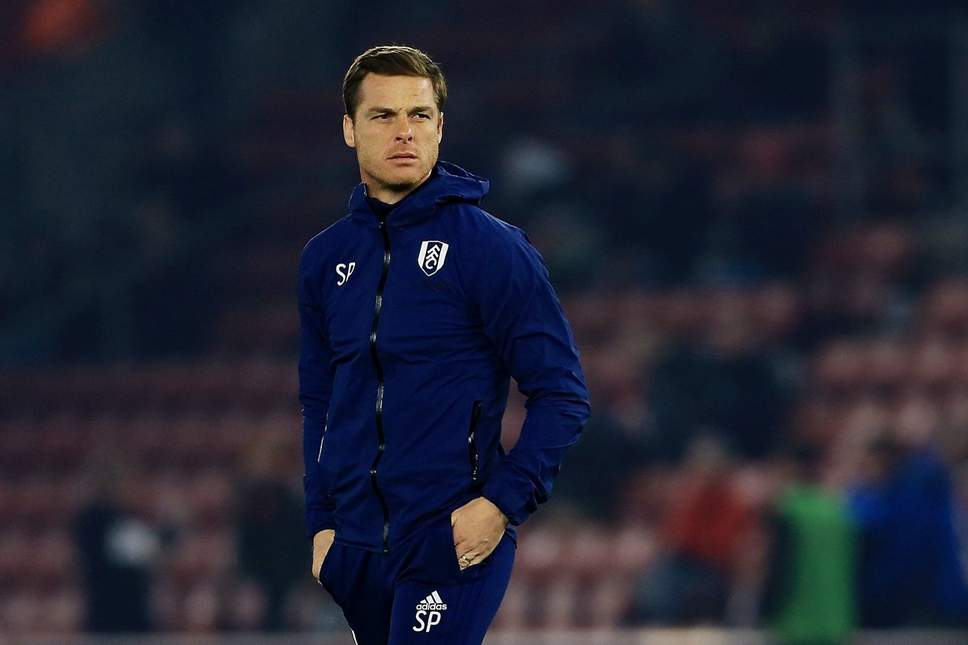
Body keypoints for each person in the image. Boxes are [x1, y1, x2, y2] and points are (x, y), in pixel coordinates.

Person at [297, 45, 590, 644]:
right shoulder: (324, 260)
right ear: (350, 130)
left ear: (440, 127)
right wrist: (322, 526)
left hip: (449, 541)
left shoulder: (491, 249)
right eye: (383, 115)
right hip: (356, 550)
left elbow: (562, 394)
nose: (404, 131)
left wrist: (499, 504)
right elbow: (319, 403)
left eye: (419, 115)